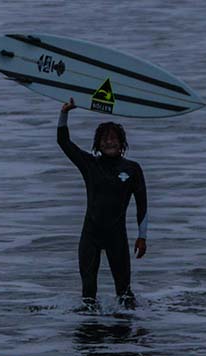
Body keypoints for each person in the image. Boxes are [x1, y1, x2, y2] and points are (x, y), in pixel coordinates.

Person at [57, 97, 148, 311]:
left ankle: (127, 337)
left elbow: (142, 204)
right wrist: (65, 113)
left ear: (122, 143)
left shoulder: (132, 169)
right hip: (91, 236)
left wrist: (142, 237)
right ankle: (90, 336)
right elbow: (64, 142)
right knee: (88, 295)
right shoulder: (90, 164)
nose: (109, 142)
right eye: (105, 139)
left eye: (114, 138)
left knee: (124, 293)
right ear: (98, 143)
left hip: (117, 236)